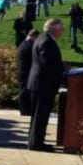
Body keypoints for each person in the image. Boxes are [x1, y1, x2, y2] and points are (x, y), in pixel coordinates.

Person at [27, 18, 67, 151]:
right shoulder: (46, 42)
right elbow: (48, 64)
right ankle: (36, 143)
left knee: (38, 115)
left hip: (40, 83)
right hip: (43, 84)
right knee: (40, 115)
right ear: (54, 29)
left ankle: (34, 141)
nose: (63, 31)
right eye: (61, 28)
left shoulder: (42, 39)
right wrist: (62, 73)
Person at [17, 29, 39, 116]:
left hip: (23, 69)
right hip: (27, 70)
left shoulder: (23, 43)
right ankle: (25, 109)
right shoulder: (30, 45)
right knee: (25, 91)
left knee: (23, 89)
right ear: (35, 36)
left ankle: (24, 109)